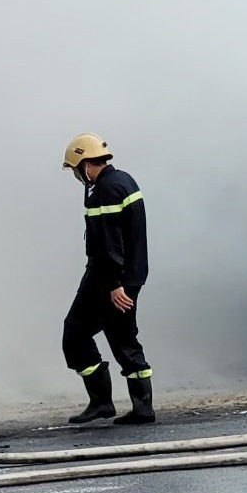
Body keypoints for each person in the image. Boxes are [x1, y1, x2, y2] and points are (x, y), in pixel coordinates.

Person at [60, 132, 155, 425]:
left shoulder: (104, 190)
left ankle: (101, 403)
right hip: (130, 277)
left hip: (107, 279)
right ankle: (142, 408)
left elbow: (109, 243)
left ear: (85, 164)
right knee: (124, 339)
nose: (77, 175)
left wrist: (114, 285)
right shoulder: (124, 180)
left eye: (76, 169)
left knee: (74, 335)